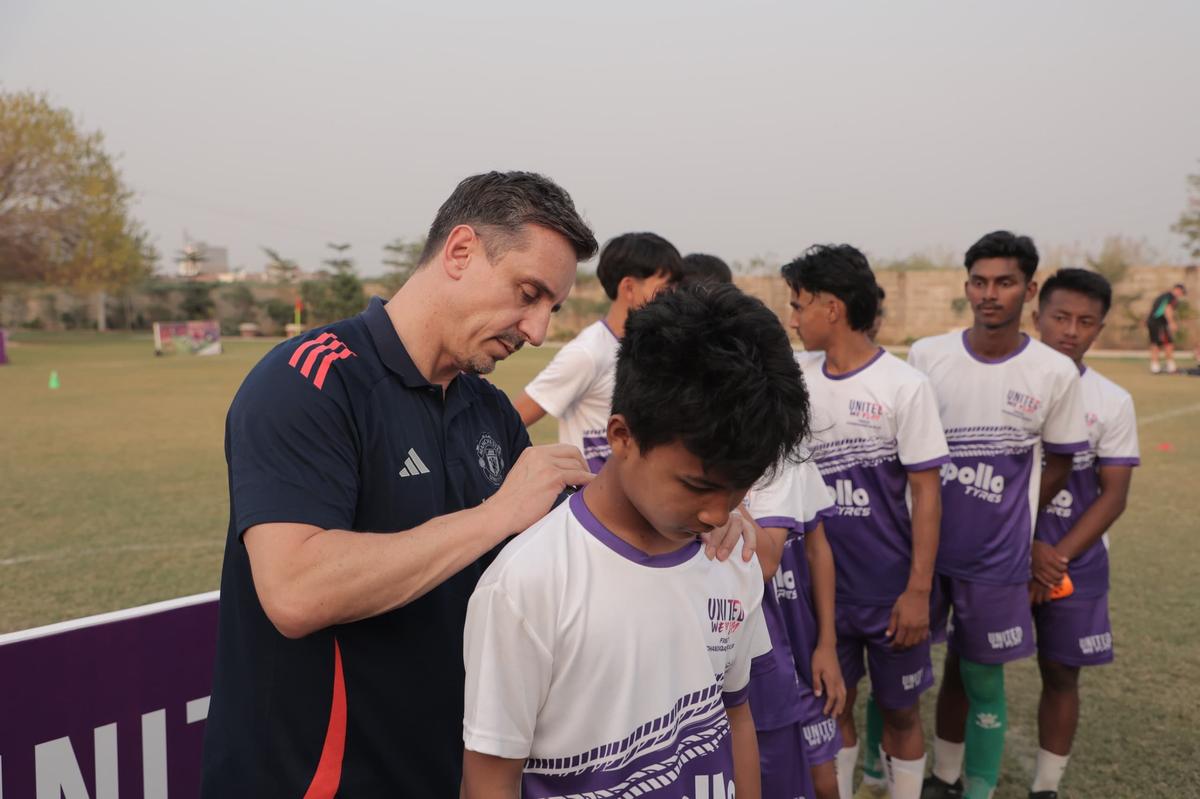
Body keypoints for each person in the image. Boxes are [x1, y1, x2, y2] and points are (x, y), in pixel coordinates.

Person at [199, 171, 608, 797]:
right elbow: (296, 590)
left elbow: (558, 559)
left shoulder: (490, 410)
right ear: (461, 250)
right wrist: (496, 515)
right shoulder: (308, 380)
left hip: (443, 772)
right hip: (315, 782)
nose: (537, 330)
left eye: (550, 307)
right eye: (528, 294)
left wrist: (692, 513)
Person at [461, 283, 812, 799]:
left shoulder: (731, 554)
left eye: (739, 488)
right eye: (697, 485)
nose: (719, 511)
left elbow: (735, 714)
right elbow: (491, 777)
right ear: (622, 437)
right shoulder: (528, 584)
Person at [907, 231, 1087, 799]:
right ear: (967, 287)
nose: (990, 294)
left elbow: (1059, 459)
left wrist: (1014, 510)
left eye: (1004, 283)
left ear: (1028, 289)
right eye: (979, 282)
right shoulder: (927, 355)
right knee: (905, 673)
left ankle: (977, 788)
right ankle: (937, 777)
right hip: (923, 551)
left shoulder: (1053, 372)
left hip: (997, 558)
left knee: (982, 674)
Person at [783, 245, 948, 799]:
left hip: (889, 591)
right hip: (822, 593)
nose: (793, 317)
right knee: (835, 705)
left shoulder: (905, 386)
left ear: (831, 307)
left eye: (799, 304)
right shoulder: (797, 379)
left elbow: (927, 494)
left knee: (901, 712)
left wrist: (918, 591)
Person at [1028, 269, 1139, 799]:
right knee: (971, 663)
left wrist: (1056, 557)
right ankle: (953, 778)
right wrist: (1023, 548)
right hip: (1004, 554)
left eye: (1086, 321)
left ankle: (1046, 788)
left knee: (1061, 672)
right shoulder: (1008, 383)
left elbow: (1114, 493)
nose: (1072, 330)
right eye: (1061, 317)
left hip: (1073, 561)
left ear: (1099, 328)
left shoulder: (1112, 400)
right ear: (1038, 317)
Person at [514, 232, 683, 471]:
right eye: (666, 288)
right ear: (629, 288)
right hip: (594, 503)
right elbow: (512, 419)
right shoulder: (588, 353)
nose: (674, 296)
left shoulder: (649, 349)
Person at [745, 453, 846, 799]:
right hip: (741, 653)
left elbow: (818, 551)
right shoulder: (690, 457)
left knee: (823, 779)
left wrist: (828, 645)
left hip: (798, 647)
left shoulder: (791, 457)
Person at [1146, 283, 1186, 374]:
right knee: (1168, 344)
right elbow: (1167, 309)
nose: (1181, 295)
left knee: (1155, 343)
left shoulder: (1164, 296)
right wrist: (1171, 323)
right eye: (1182, 292)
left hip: (1152, 322)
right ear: (1178, 289)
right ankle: (1171, 367)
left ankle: (1155, 367)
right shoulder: (1171, 297)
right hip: (1159, 323)